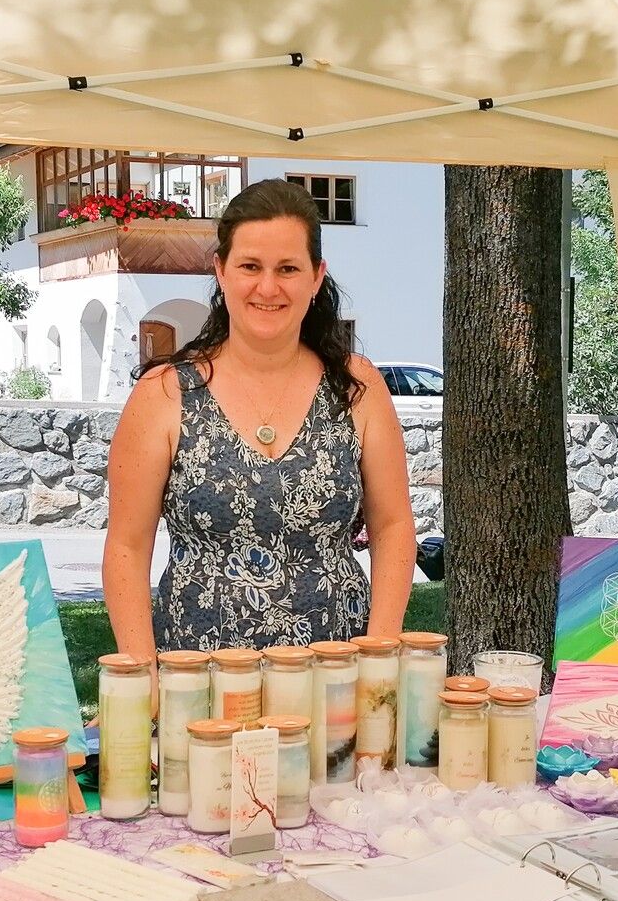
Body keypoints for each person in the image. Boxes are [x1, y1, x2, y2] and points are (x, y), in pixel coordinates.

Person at [104, 178, 416, 655]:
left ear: (316, 277)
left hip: (335, 678)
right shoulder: (164, 392)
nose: (268, 287)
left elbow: (393, 527)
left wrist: (379, 653)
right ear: (221, 270)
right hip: (199, 678)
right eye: (250, 266)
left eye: (287, 268)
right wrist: (140, 670)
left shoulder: (357, 387)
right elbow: (127, 547)